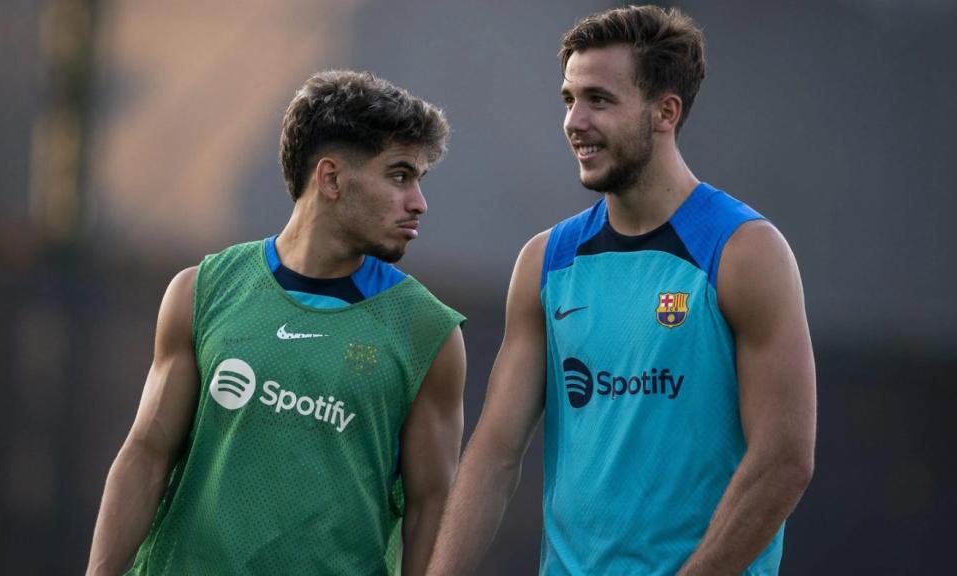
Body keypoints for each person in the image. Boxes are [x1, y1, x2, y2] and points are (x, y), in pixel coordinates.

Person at [428, 6, 816, 575]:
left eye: (599, 100)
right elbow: (494, 455)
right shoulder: (546, 261)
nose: (574, 121)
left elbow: (784, 461)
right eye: (569, 99)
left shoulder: (744, 251)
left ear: (665, 111)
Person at [86, 70, 466, 576]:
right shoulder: (201, 291)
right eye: (399, 175)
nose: (418, 202)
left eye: (418, 180)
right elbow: (147, 455)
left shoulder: (427, 332)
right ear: (330, 178)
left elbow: (431, 509)